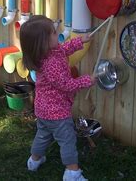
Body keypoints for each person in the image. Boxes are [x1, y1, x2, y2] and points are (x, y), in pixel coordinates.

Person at [19, 15, 95, 181]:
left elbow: (64, 49)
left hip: (43, 110)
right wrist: (88, 80)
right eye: (53, 32)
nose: (57, 33)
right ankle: (72, 173)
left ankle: (34, 161)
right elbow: (67, 85)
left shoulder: (50, 52)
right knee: (67, 140)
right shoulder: (50, 65)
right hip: (57, 112)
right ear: (43, 42)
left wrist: (80, 41)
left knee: (43, 135)